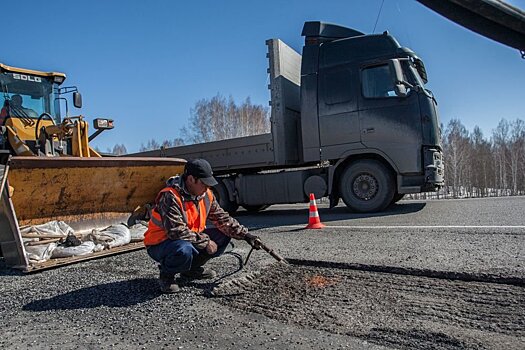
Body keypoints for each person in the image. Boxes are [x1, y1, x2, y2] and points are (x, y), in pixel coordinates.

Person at [144, 158, 260, 293]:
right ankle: (167, 276)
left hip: (189, 238)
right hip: (162, 243)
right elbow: (176, 232)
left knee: (223, 234)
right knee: (184, 250)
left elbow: (222, 219)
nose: (208, 188)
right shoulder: (170, 196)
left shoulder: (206, 195)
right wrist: (206, 242)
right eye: (204, 183)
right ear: (191, 179)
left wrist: (246, 235)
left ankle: (191, 270)